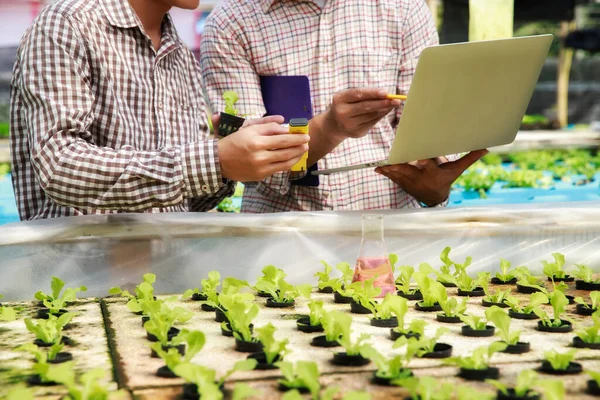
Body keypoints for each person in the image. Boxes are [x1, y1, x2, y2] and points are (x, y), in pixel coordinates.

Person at [10, 0, 309, 220]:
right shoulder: (67, 24)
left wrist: (227, 161)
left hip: (165, 281)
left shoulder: (181, 58)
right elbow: (59, 165)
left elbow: (186, 203)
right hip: (79, 283)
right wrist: (213, 160)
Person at [200, 0, 487, 213]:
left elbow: (427, 128)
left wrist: (433, 179)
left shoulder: (402, 7)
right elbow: (246, 159)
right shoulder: (231, 22)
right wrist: (329, 128)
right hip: (281, 235)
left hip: (392, 228)